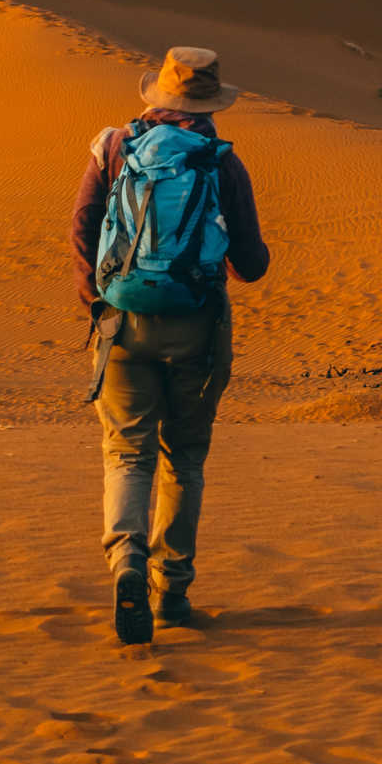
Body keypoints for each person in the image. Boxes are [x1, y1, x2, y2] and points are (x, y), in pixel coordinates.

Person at [71, 46, 270, 644]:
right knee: (183, 458)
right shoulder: (221, 163)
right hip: (198, 329)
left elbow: (82, 224)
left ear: (156, 95)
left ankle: (125, 562)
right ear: (210, 103)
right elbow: (252, 265)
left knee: (127, 453)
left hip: (123, 326)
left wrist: (100, 298)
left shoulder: (113, 149)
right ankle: (171, 590)